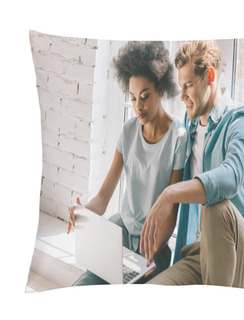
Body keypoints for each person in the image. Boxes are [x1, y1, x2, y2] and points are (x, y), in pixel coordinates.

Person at [140, 40, 244, 290]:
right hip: (200, 255)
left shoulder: (240, 120)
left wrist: (170, 194)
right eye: (180, 86)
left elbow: (229, 178)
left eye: (188, 85)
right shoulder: (187, 130)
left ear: (209, 76)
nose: (182, 96)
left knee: (215, 207)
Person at [67, 41, 187, 286]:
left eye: (144, 97)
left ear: (161, 89)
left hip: (155, 245)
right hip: (119, 233)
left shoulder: (179, 137)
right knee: (84, 286)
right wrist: (83, 213)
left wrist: (150, 253)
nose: (138, 107)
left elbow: (172, 213)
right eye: (132, 98)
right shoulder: (128, 131)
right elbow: (103, 197)